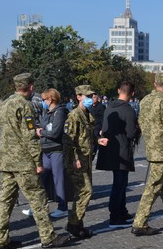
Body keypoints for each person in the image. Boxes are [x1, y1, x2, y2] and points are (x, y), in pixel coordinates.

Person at [0, 73, 70, 249]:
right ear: (30, 87)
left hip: (6, 161)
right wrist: (38, 162)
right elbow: (30, 137)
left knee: (5, 201)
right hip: (23, 163)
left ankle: (1, 239)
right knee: (38, 199)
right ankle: (48, 237)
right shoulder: (24, 105)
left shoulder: (3, 105)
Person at [132, 73, 163, 236]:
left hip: (151, 147)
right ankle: (140, 222)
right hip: (162, 149)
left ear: (154, 83)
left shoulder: (144, 100)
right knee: (153, 187)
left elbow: (141, 123)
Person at [96, 81, 141, 228]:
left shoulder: (110, 106)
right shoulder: (128, 110)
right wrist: (138, 129)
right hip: (122, 150)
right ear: (132, 94)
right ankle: (115, 216)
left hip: (111, 150)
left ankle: (122, 211)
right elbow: (131, 133)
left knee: (121, 183)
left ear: (118, 91)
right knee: (119, 185)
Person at [21, 88, 69, 219]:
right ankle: (38, 206)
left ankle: (62, 207)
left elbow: (55, 132)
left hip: (56, 150)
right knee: (42, 178)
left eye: (44, 99)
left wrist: (41, 132)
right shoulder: (47, 112)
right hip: (46, 150)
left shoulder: (60, 112)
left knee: (58, 179)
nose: (42, 102)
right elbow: (42, 126)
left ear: (50, 99)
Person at [63, 85, 103, 238]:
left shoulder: (87, 114)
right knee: (86, 191)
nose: (90, 99)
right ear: (78, 97)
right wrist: (74, 159)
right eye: (87, 96)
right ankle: (73, 224)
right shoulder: (74, 116)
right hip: (77, 160)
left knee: (81, 193)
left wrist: (99, 140)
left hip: (86, 158)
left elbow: (88, 136)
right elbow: (68, 140)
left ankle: (78, 224)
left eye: (91, 96)